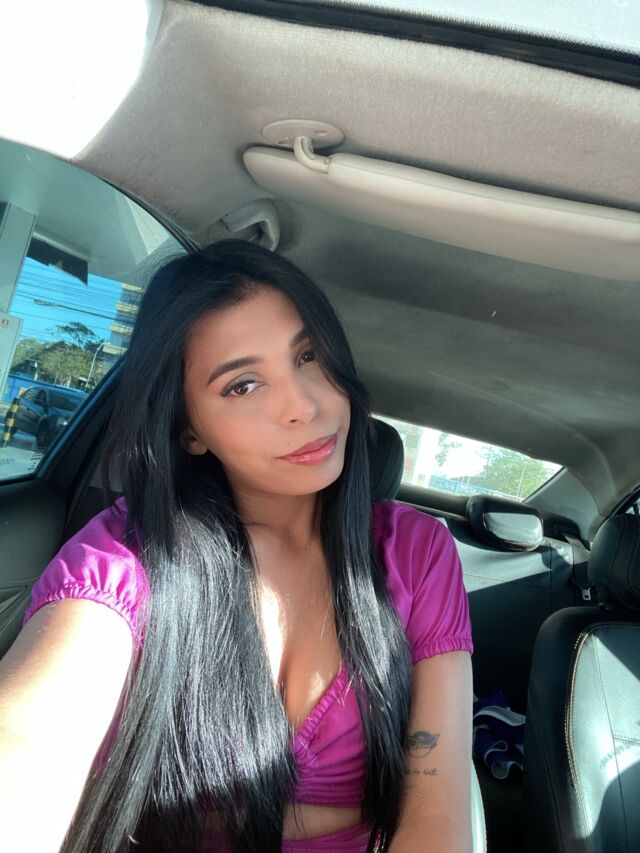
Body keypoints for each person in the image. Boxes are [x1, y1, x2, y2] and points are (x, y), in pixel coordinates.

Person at [0, 241, 473, 853]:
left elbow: (436, 812)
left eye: (309, 356)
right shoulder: (128, 560)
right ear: (189, 430)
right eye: (243, 385)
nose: (304, 405)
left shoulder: (417, 553)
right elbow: (26, 746)